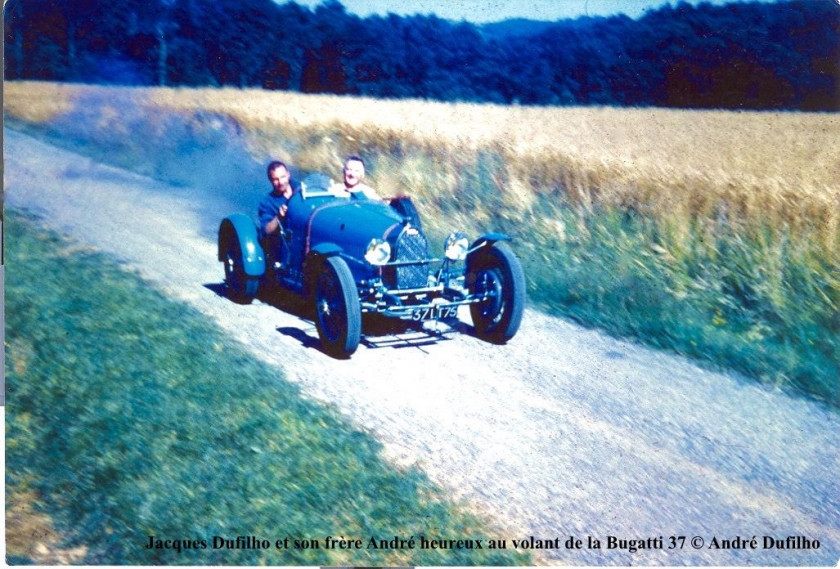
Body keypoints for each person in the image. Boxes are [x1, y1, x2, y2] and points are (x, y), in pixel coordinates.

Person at [258, 161, 295, 269]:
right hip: (286, 243)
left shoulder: (302, 188)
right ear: (270, 180)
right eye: (276, 179)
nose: (281, 182)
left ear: (288, 174)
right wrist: (279, 217)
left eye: (283, 177)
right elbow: (266, 230)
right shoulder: (267, 202)